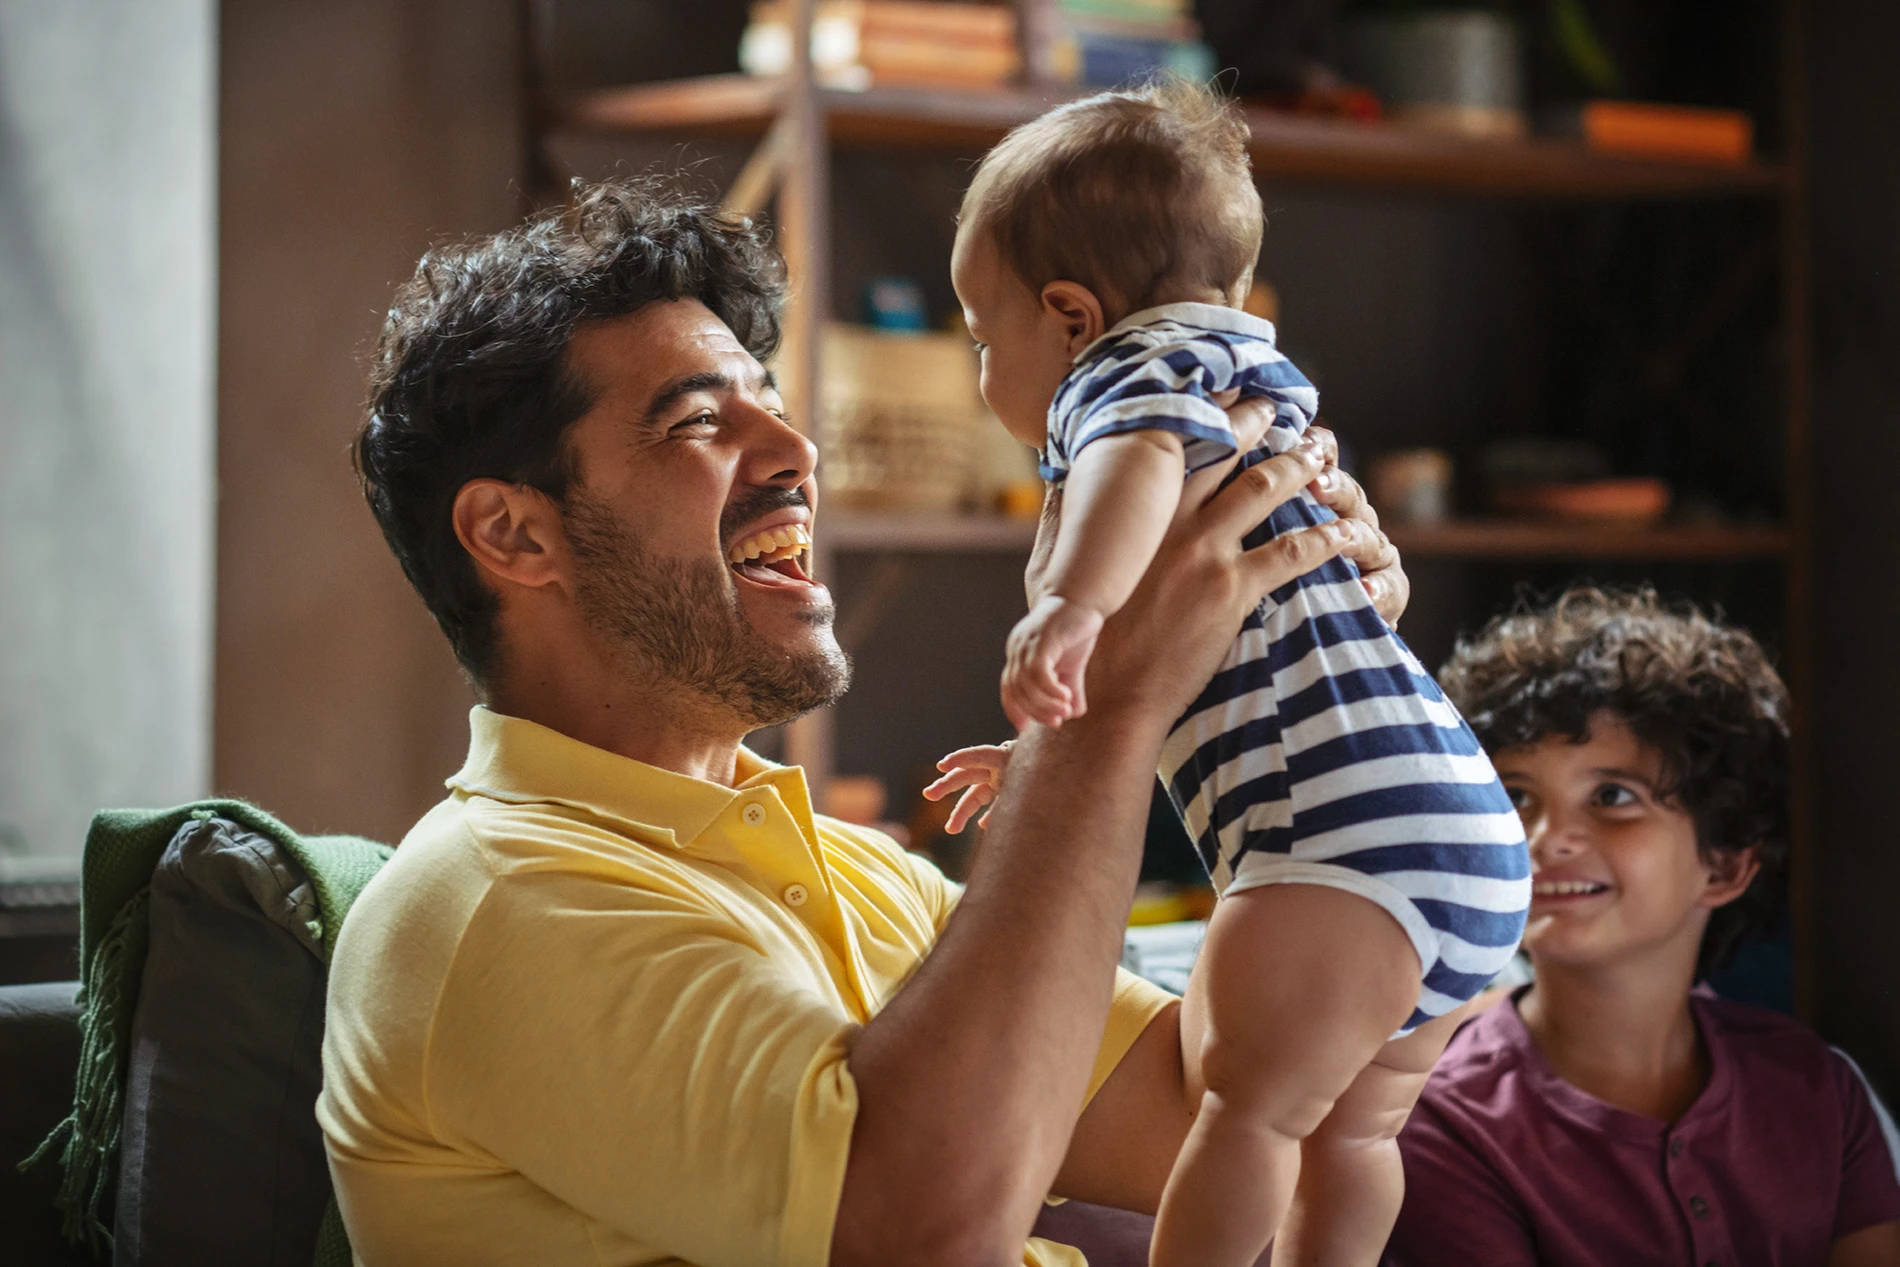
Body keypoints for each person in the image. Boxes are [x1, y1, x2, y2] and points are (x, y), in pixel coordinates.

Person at [315, 176, 1413, 1267]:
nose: (797, 454)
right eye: (698, 420)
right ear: (513, 535)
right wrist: (1106, 705)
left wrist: (1298, 652)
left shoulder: (859, 873)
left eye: (772, 404)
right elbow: (916, 1230)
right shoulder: (493, 902)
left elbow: (1238, 1112)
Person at [927, 78, 1528, 1267]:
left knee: (1244, 1113)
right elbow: (1225, 674)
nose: (983, 371)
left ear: (1069, 316)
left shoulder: (1127, 385)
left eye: (982, 340)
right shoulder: (1255, 385)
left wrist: (1068, 606)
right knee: (1349, 1139)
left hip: (1336, 854)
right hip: (1459, 837)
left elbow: (1135, 464)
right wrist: (1048, 739)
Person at [1387, 588, 1900, 1266]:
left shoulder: (1820, 1092)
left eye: (1612, 796)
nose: (1546, 837)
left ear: (1725, 864)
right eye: (1513, 796)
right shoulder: (1444, 1117)